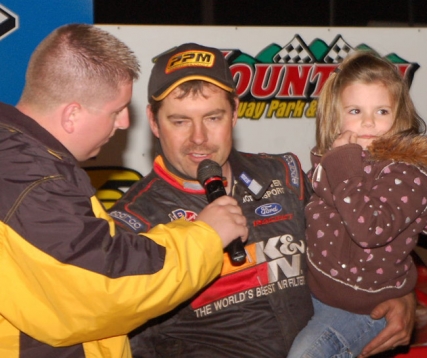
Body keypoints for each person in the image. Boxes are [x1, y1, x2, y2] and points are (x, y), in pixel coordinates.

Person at [109, 43, 417, 358]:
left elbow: (361, 248)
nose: (198, 138)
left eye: (213, 118)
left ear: (235, 113)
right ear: (153, 121)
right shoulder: (133, 222)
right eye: (180, 121)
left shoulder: (285, 174)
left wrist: (402, 296)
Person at [0, 24, 249, 358]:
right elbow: (105, 285)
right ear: (72, 114)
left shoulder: (26, 159)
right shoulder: (31, 182)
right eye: (116, 111)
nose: (124, 124)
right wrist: (205, 236)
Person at [287, 51, 427, 358]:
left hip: (367, 308)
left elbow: (369, 230)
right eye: (355, 110)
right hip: (315, 291)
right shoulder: (334, 160)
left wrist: (342, 166)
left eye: (381, 111)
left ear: (400, 118)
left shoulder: (410, 175)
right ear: (334, 117)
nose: (368, 121)